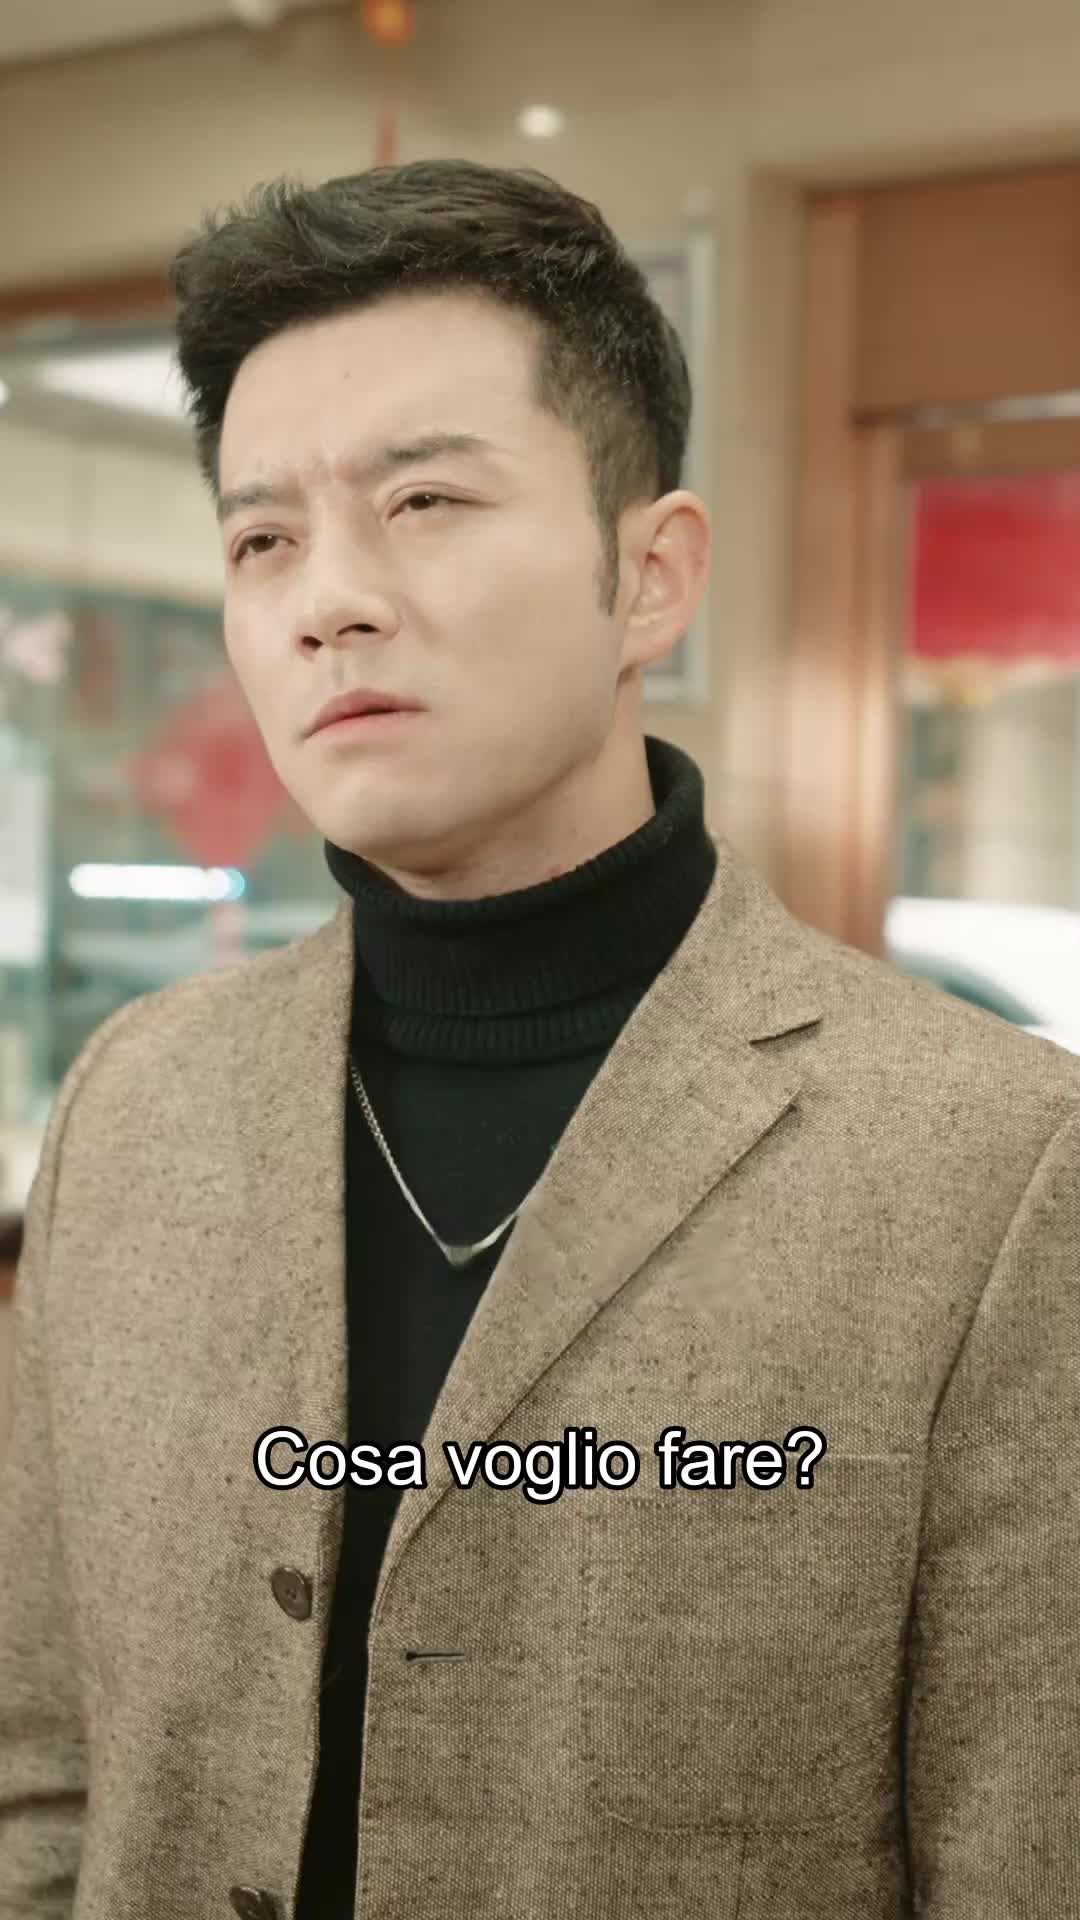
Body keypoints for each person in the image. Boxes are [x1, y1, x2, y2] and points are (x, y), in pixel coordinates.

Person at [1, 159, 1077, 1920]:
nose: (327, 598)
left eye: (423, 500)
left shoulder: (997, 1166)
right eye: (264, 539)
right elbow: (44, 1767)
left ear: (649, 577)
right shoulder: (139, 1099)